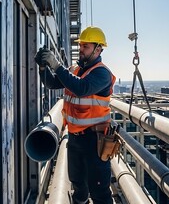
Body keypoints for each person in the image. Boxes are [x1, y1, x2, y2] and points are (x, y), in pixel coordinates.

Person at [35, 26, 116, 204]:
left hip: (95, 140)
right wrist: (43, 68)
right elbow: (51, 83)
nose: (81, 49)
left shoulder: (102, 73)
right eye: (81, 45)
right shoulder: (73, 70)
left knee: (99, 191)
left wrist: (56, 65)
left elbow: (82, 88)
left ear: (98, 49)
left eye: (85, 46)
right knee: (78, 185)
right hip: (75, 138)